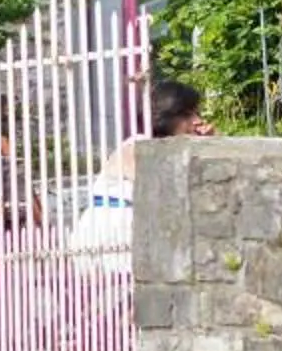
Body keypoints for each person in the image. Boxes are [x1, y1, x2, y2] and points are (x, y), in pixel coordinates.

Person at [69, 78, 212, 255]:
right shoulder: (136, 147)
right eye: (187, 115)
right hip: (111, 234)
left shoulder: (169, 150)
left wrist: (211, 147)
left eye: (197, 114)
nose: (198, 121)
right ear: (165, 117)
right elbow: (166, 191)